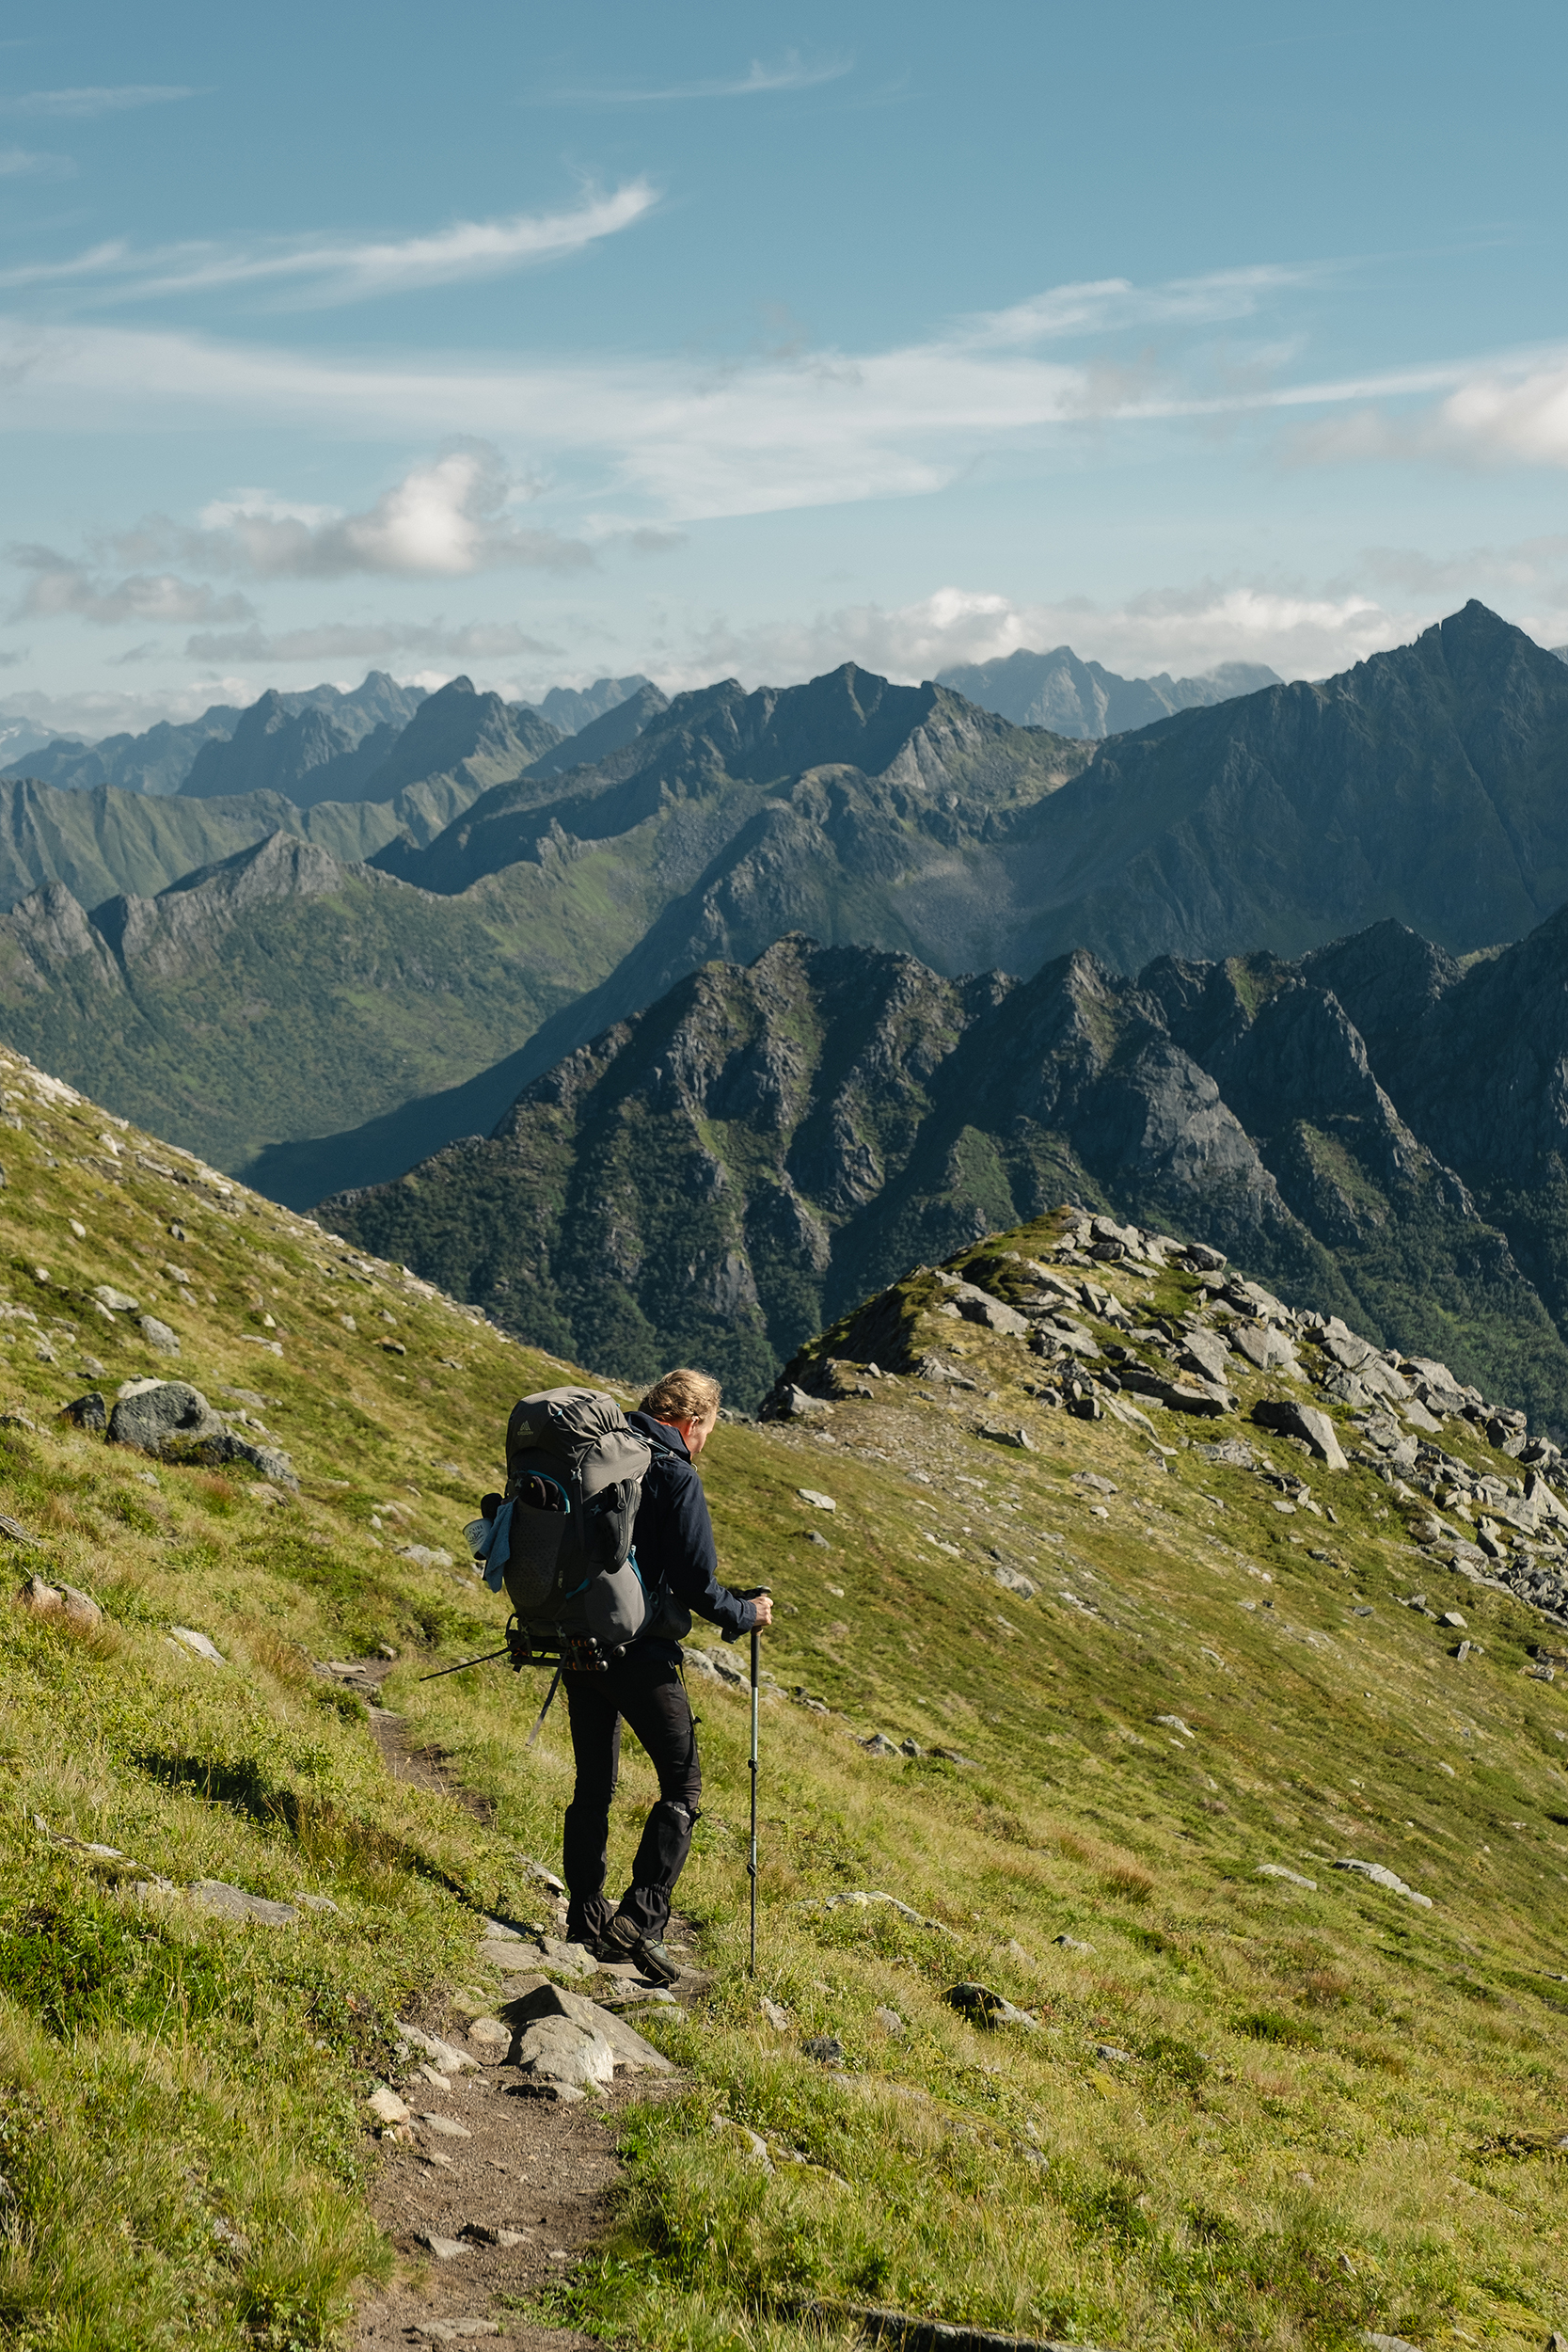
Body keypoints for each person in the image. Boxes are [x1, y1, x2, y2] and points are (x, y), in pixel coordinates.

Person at [561, 1367, 772, 1983]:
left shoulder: (599, 1455)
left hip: (579, 1640)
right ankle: (640, 1917)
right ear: (691, 1420)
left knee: (593, 1784)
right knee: (682, 1785)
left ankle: (583, 1915)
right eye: (706, 1429)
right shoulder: (673, 1473)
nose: (703, 1442)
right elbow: (694, 1584)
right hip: (640, 1655)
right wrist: (748, 1612)